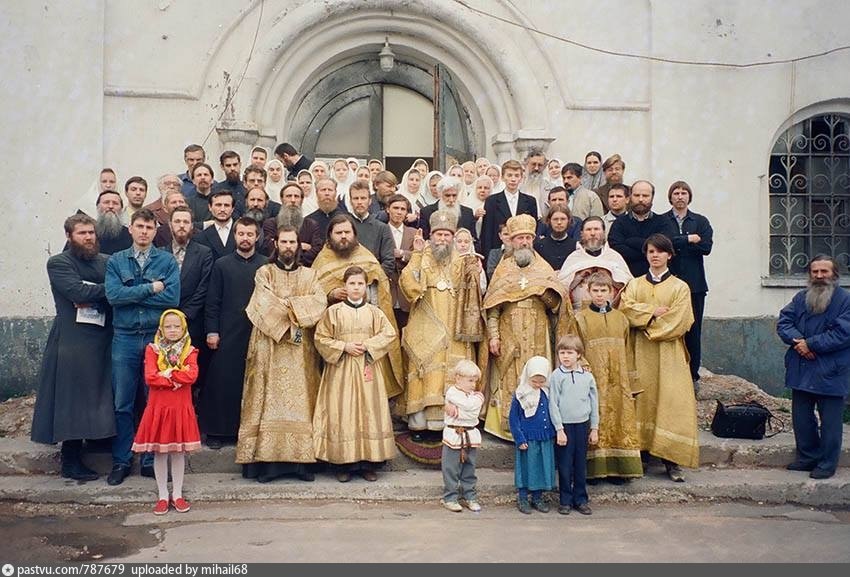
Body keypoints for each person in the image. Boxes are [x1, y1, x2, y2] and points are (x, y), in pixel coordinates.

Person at [237, 226, 328, 483]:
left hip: (301, 349)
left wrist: (288, 307)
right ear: (276, 244)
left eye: (293, 242)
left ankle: (301, 464)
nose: (288, 246)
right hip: (269, 344)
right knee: (267, 398)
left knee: (302, 398)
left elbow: (318, 302)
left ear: (299, 245)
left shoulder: (311, 275)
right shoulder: (263, 272)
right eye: (284, 241)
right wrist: (294, 309)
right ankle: (267, 464)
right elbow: (261, 302)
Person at [31, 214, 116, 482]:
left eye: (91, 232)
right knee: (72, 399)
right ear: (69, 236)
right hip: (73, 340)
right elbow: (76, 292)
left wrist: (96, 291)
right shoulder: (58, 263)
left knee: (100, 395)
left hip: (104, 337)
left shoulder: (106, 261)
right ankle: (70, 459)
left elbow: (113, 289)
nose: (89, 237)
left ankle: (98, 442)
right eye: (82, 233)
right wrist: (102, 291)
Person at [105, 208, 180, 485]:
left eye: (149, 227)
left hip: (154, 338)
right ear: (131, 229)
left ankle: (150, 459)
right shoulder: (116, 261)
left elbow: (172, 298)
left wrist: (132, 296)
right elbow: (113, 296)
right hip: (124, 337)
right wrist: (150, 288)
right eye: (140, 226)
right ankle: (122, 460)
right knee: (122, 402)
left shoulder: (167, 261)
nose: (144, 231)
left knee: (153, 401)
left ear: (155, 230)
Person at [483, 214, 571, 440]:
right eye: (519, 238)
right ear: (511, 241)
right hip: (508, 329)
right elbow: (493, 307)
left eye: (527, 238)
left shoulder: (544, 268)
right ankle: (506, 428)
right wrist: (493, 337)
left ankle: (537, 426)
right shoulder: (503, 270)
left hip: (537, 332)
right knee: (508, 378)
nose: (524, 242)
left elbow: (555, 307)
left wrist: (542, 293)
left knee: (537, 376)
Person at [400, 212, 487, 439]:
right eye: (438, 234)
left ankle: (449, 422)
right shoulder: (423, 256)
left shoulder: (461, 259)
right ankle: (420, 425)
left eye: (447, 235)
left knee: (449, 372)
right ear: (431, 235)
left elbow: (473, 291)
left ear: (453, 236)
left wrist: (474, 273)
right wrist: (417, 253)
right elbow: (409, 285)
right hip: (425, 323)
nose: (442, 239)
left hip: (453, 325)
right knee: (426, 369)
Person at [619, 233, 697, 482]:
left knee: (670, 402)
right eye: (651, 251)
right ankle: (640, 456)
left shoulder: (679, 287)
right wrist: (653, 312)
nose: (655, 255)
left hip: (669, 354)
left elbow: (681, 319)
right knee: (642, 400)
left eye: (660, 251)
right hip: (639, 353)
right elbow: (625, 310)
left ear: (669, 255)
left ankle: (671, 461)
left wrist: (646, 326)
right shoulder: (635, 284)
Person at [312, 266, 398, 482]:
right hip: (341, 370)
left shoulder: (374, 312)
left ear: (366, 287)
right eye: (352, 283)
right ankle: (343, 464)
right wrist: (344, 346)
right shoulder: (333, 312)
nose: (356, 288)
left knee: (368, 411)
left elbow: (389, 334)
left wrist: (368, 345)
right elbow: (320, 338)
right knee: (344, 412)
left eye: (360, 284)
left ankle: (368, 463)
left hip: (367, 368)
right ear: (345, 286)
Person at [312, 214, 405, 398]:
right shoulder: (322, 260)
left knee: (369, 381)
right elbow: (314, 293)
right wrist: (331, 295)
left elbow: (381, 286)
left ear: (354, 233)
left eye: (347, 231)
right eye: (338, 232)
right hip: (339, 333)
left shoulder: (365, 255)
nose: (343, 236)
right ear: (330, 235)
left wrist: (367, 292)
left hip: (366, 329)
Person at [777, 255, 850, 480]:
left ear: (834, 275)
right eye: (815, 272)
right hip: (802, 367)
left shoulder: (845, 300)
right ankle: (807, 457)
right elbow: (784, 322)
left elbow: (843, 333)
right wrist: (799, 342)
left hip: (831, 369)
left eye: (824, 272)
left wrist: (811, 344)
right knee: (802, 418)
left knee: (830, 422)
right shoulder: (800, 298)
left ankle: (827, 464)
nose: (819, 276)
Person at [201, 218, 267, 449]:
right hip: (227, 331)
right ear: (235, 236)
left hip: (258, 332)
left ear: (257, 237)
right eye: (241, 234)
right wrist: (212, 331)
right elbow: (212, 301)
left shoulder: (266, 265)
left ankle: (246, 431)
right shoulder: (222, 264)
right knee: (223, 381)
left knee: (251, 383)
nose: (245, 238)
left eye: (250, 234)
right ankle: (218, 431)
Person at [574, 272, 642, 483]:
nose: (600, 295)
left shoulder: (620, 318)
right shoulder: (581, 317)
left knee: (620, 419)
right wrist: (582, 369)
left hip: (619, 380)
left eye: (604, 290)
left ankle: (619, 469)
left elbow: (628, 349)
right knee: (595, 419)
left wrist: (632, 381)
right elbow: (576, 348)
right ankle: (594, 470)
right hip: (594, 378)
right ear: (589, 291)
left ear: (612, 292)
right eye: (596, 290)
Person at [132, 309, 201, 515]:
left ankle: (177, 494)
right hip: (160, 408)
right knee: (160, 454)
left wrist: (168, 374)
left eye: (176, 326)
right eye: (168, 326)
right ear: (161, 328)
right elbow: (150, 377)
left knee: (178, 453)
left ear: (183, 328)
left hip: (180, 407)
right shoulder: (153, 350)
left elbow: (192, 376)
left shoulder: (190, 351)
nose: (172, 330)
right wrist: (176, 376)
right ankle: (163, 495)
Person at [664, 180, 714, 385]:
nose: (680, 196)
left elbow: (706, 246)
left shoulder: (700, 221)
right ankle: (671, 371)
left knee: (693, 329)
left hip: (695, 285)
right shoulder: (662, 220)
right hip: (669, 283)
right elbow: (664, 243)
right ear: (670, 197)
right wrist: (688, 240)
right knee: (671, 327)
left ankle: (692, 373)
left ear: (689, 197)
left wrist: (680, 242)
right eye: (676, 192)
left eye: (684, 192)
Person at [548, 335, 599, 515]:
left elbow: (594, 402)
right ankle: (565, 500)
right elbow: (553, 403)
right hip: (565, 427)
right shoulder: (556, 376)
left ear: (579, 354)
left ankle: (581, 499)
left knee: (580, 465)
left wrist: (594, 428)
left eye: (570, 352)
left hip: (582, 426)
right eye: (562, 353)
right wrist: (559, 429)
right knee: (564, 465)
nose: (565, 357)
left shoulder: (587, 377)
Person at [509, 356, 557, 514]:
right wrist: (519, 438)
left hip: (544, 436)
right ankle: (523, 498)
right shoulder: (521, 394)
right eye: (534, 381)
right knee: (526, 467)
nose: (537, 385)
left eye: (540, 381)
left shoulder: (547, 393)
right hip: (528, 438)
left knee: (541, 467)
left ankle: (537, 497)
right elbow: (514, 419)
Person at [559, 216, 633, 311]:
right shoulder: (573, 258)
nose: (593, 233)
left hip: (610, 313)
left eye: (596, 229)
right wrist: (578, 277)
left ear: (603, 233)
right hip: (579, 314)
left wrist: (610, 277)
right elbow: (561, 288)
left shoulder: (614, 257)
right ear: (581, 234)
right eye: (588, 230)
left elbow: (629, 288)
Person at [440, 360, 485, 513]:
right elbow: (468, 407)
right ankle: (450, 497)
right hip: (454, 435)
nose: (473, 384)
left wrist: (460, 411)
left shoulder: (476, 396)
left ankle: (469, 495)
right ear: (458, 378)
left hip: (470, 435)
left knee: (469, 468)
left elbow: (472, 411)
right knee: (451, 468)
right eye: (470, 380)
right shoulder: (452, 393)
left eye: (475, 381)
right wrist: (467, 409)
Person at [608, 180, 678, 277]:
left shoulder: (663, 222)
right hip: (626, 278)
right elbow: (616, 249)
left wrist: (631, 241)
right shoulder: (619, 223)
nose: (640, 199)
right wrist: (649, 248)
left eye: (645, 196)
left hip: (657, 279)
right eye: (636, 195)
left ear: (652, 198)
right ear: (630, 197)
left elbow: (663, 247)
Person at [480, 160, 538, 256]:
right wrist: (488, 257)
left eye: (516, 175)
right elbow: (487, 232)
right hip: (499, 252)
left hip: (524, 252)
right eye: (509, 175)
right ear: (503, 177)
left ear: (521, 178)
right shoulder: (492, 201)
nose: (513, 179)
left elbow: (533, 230)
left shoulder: (530, 201)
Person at [347, 179, 396, 278]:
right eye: (356, 198)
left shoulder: (382, 228)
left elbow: (389, 262)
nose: (359, 202)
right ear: (350, 201)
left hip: (375, 282)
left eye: (363, 198)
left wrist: (371, 278)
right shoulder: (341, 226)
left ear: (369, 201)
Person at [384, 194, 416, 329]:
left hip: (406, 294)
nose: (399, 212)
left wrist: (403, 254)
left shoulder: (413, 232)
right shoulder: (381, 230)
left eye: (403, 209)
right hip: (387, 291)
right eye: (395, 208)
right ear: (387, 209)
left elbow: (421, 256)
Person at [419, 176, 478, 246]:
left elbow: (473, 240)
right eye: (447, 195)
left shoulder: (468, 213)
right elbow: (425, 239)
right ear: (440, 194)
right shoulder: (427, 212)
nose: (451, 199)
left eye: (454, 195)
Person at [195, 190, 237, 261]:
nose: (222, 209)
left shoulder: (242, 233)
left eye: (226, 205)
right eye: (218, 205)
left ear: (233, 208)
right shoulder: (201, 237)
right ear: (210, 207)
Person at [534, 205, 577, 271]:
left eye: (563, 219)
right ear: (549, 221)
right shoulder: (539, 246)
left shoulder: (576, 246)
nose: (559, 222)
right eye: (555, 219)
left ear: (569, 220)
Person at [93, 190, 133, 255]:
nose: (111, 206)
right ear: (97, 207)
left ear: (121, 209)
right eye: (106, 202)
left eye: (115, 203)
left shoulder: (130, 235)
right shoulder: (89, 233)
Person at [212, 150, 247, 216]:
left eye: (235, 164)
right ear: (222, 167)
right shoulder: (217, 189)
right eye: (228, 165)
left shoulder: (247, 188)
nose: (232, 168)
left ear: (240, 165)